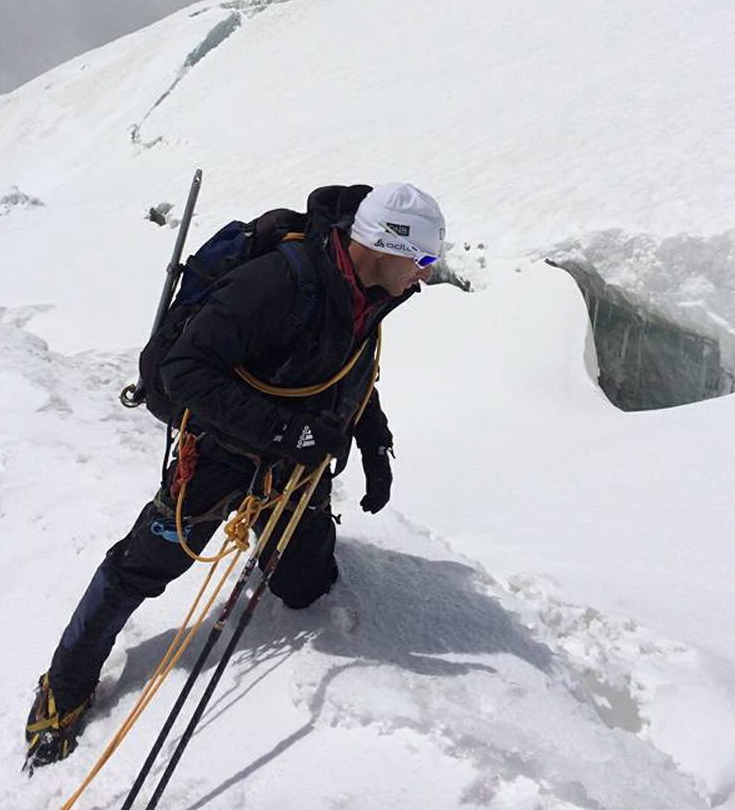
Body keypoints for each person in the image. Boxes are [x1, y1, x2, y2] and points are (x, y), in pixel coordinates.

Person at [25, 181, 445, 767]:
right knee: (142, 567)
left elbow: (348, 365)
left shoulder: (369, 288)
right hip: (220, 453)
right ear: (383, 244)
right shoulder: (279, 282)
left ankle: (270, 544)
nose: (426, 275)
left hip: (297, 467)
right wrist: (288, 433)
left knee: (305, 586)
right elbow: (184, 370)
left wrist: (373, 440)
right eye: (423, 259)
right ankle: (64, 687)